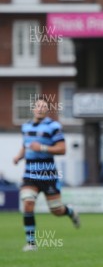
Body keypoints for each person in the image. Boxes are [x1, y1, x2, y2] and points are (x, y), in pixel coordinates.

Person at [12, 98, 80, 252]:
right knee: (28, 203)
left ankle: (70, 211)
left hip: (48, 174)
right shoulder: (26, 126)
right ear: (33, 108)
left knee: (56, 211)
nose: (40, 109)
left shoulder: (53, 126)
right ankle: (31, 243)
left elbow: (62, 149)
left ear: (47, 110)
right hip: (30, 174)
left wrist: (41, 147)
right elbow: (26, 145)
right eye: (38, 106)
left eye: (44, 107)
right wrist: (19, 156)